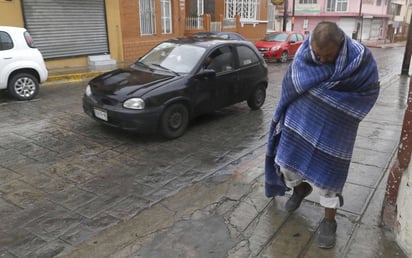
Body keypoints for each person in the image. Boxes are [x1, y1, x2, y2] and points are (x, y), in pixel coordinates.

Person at [264, 21, 380, 249]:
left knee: (330, 178)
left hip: (336, 126)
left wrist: (336, 105)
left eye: (328, 55)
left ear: (341, 44)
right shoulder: (306, 52)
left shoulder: (360, 60)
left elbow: (369, 89)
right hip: (300, 119)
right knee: (286, 162)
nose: (322, 60)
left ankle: (329, 221)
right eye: (318, 54)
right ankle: (300, 189)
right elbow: (293, 82)